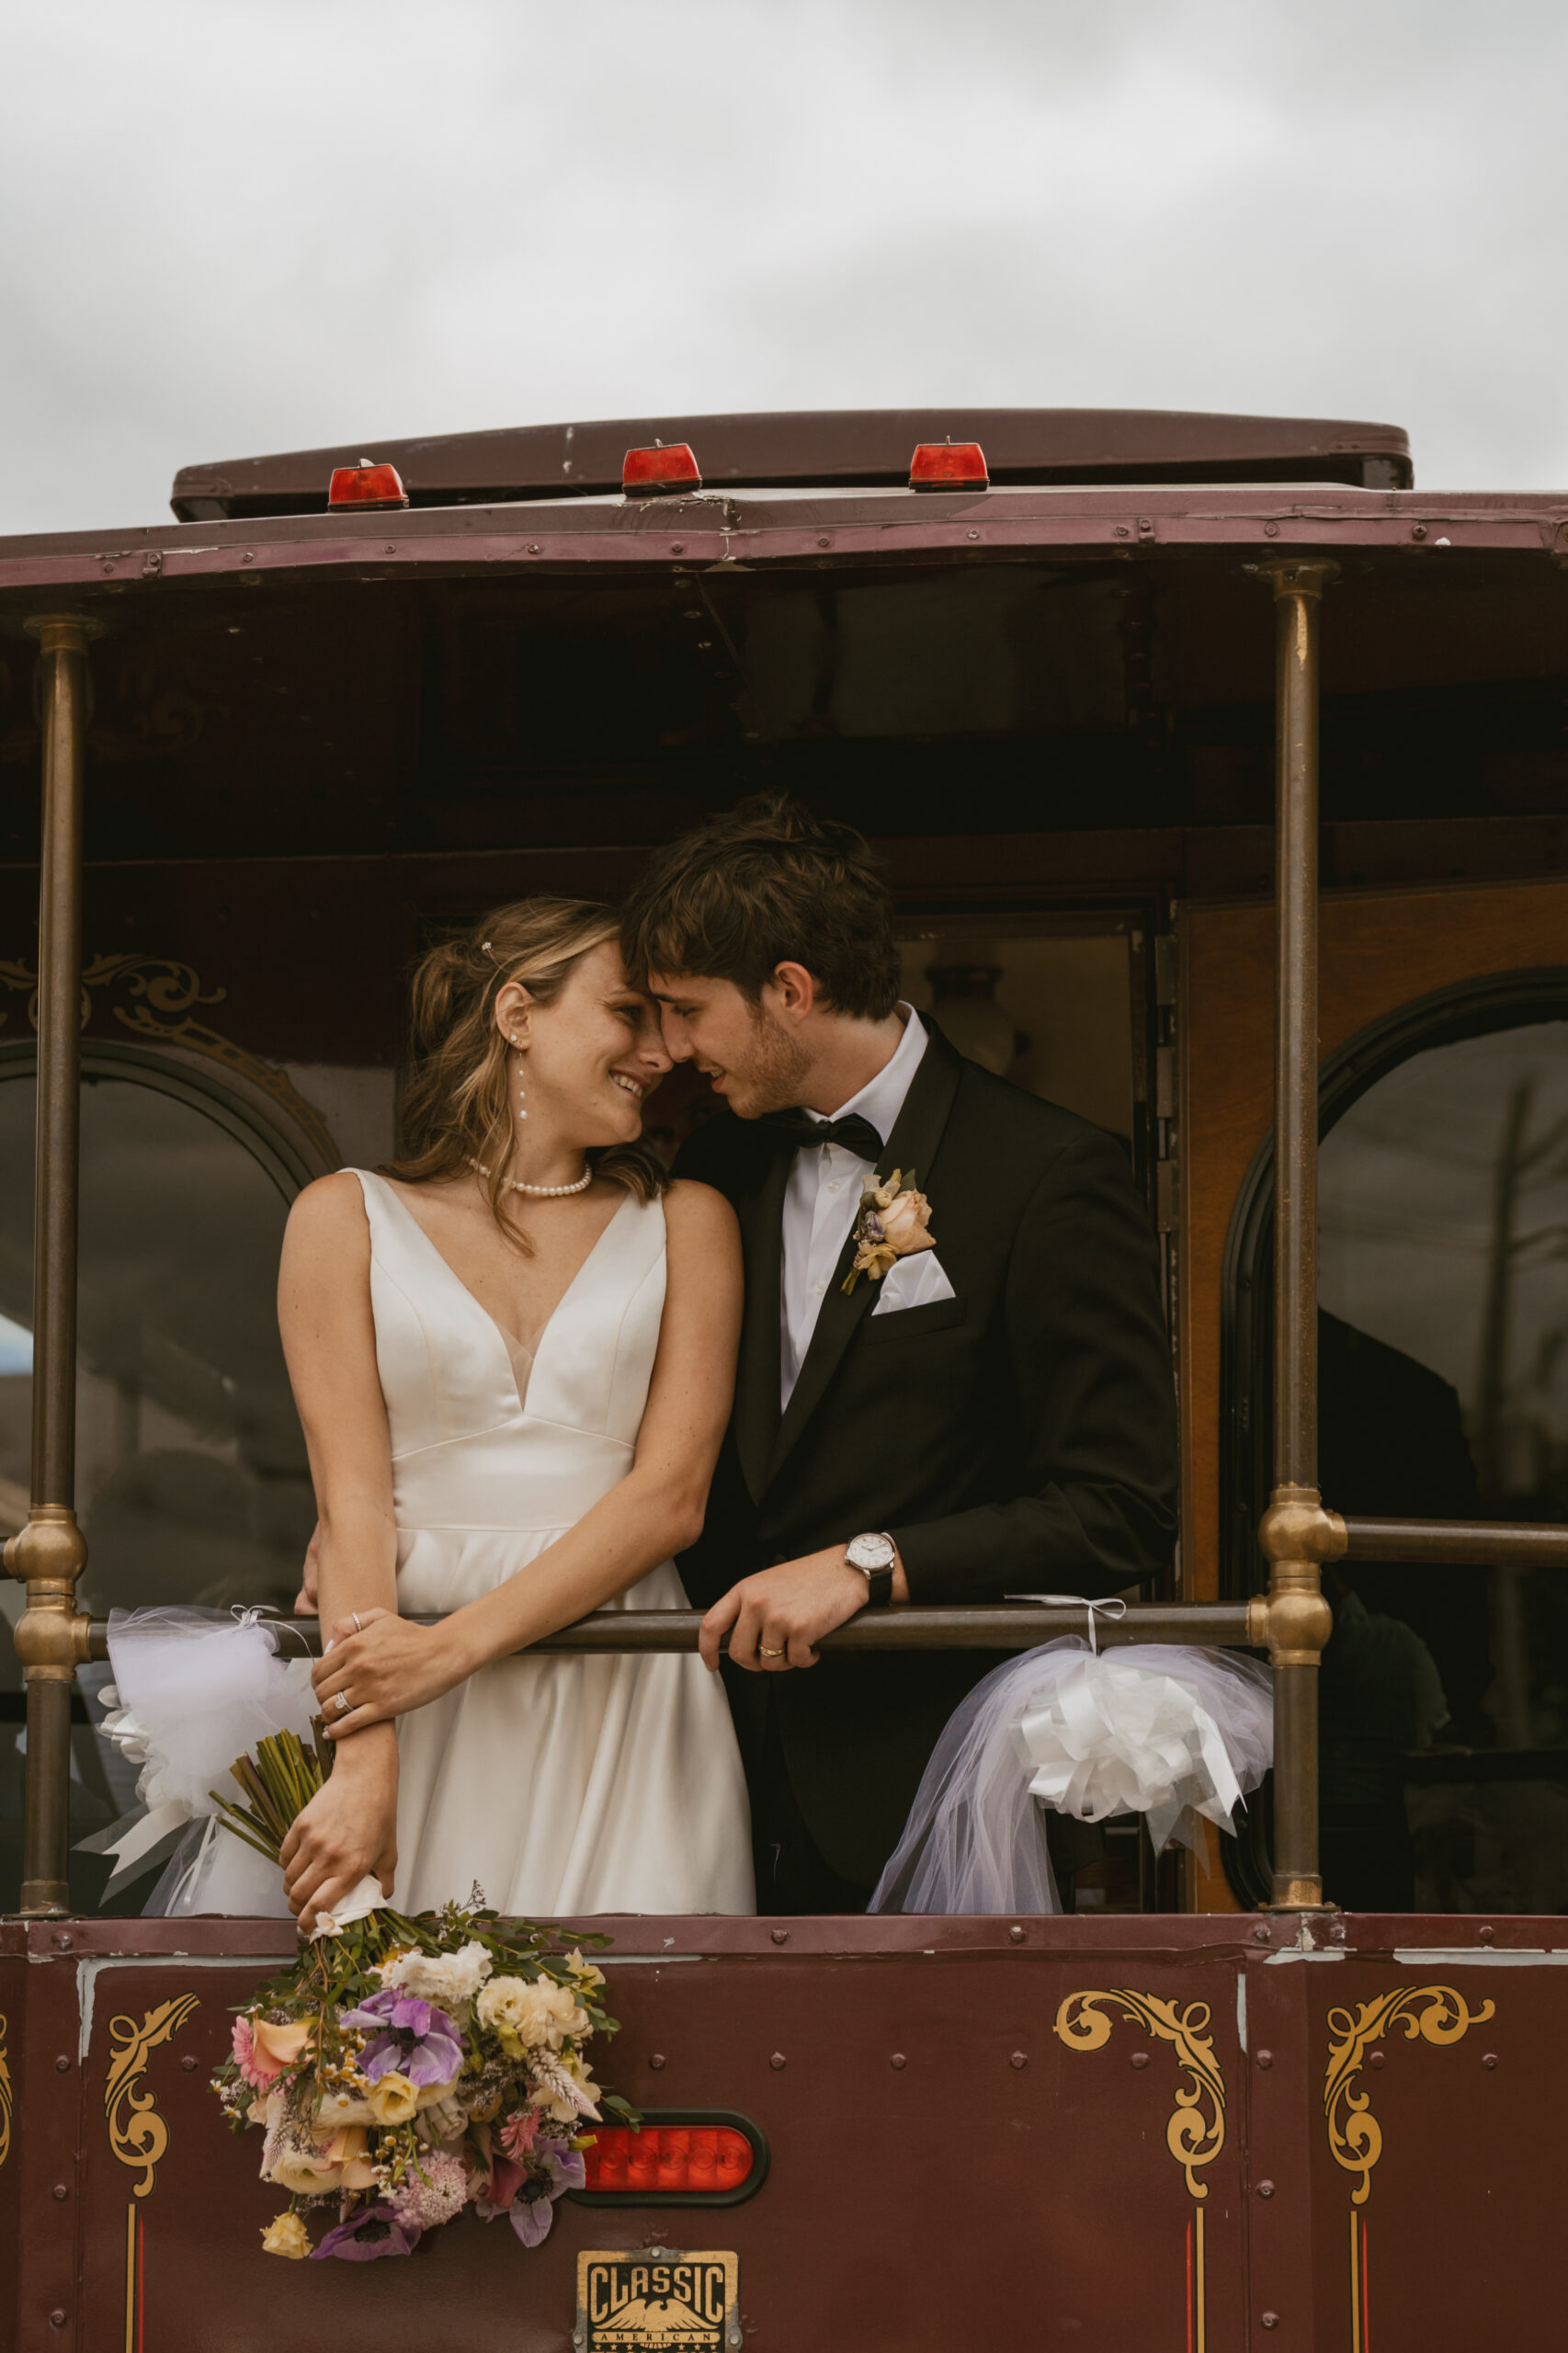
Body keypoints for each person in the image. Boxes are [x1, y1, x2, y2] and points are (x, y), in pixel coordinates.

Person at [619, 795, 1179, 1913]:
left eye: (687, 1010)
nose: (671, 1049)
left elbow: (1118, 1505)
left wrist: (867, 1564)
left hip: (926, 1781)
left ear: (789, 989)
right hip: (690, 1765)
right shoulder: (715, 1160)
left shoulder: (1045, 1172)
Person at [276, 899, 754, 1929]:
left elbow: (670, 1499)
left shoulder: (688, 1222)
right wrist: (365, 1754)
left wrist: (448, 1650)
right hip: (408, 1686)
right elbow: (354, 1501)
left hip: (624, 1675)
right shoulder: (341, 1218)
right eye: (628, 1012)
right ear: (515, 1013)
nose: (661, 1052)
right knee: (409, 2052)